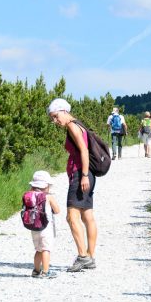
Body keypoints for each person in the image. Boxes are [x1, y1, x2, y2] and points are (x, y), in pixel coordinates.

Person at [47, 98, 97, 272]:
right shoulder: (79, 124)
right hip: (86, 174)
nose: (55, 121)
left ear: (64, 111)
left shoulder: (72, 126)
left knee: (71, 216)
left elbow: (84, 150)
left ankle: (83, 256)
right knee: (87, 216)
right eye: (52, 118)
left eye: (55, 116)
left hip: (80, 175)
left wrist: (83, 175)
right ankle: (90, 256)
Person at [26, 170, 61, 279]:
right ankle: (46, 272)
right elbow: (57, 210)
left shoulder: (30, 195)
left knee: (38, 250)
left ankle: (36, 271)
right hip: (46, 228)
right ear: (46, 186)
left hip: (34, 227)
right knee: (46, 249)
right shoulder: (48, 197)